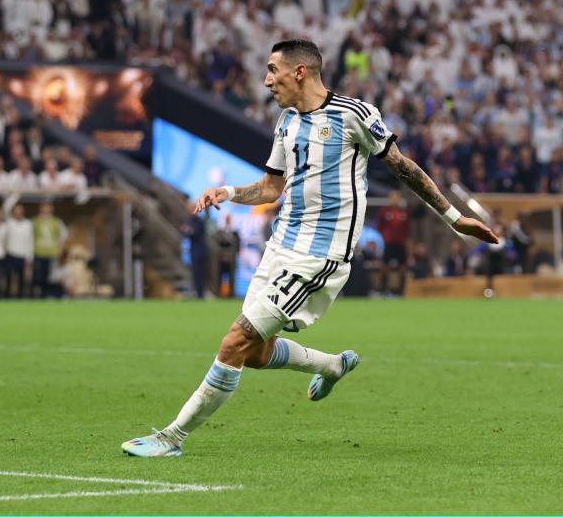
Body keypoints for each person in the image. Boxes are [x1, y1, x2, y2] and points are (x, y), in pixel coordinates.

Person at [121, 39, 498, 457]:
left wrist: (455, 218)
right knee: (257, 354)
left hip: (320, 256)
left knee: (234, 343)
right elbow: (270, 188)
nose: (266, 81)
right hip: (279, 247)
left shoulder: (353, 115)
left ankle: (172, 437)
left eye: (272, 70)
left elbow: (404, 167)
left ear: (299, 72)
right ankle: (333, 365)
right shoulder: (286, 122)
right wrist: (225, 191)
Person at [375, 189, 410, 296]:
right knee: (385, 267)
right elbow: (379, 227)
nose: (394, 199)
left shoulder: (405, 212)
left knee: (402, 268)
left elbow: (408, 230)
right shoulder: (384, 212)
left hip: (401, 244)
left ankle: (402, 291)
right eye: (392, 197)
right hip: (388, 244)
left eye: (396, 197)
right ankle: (382, 290)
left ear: (399, 199)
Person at [31, 201, 67, 298]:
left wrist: (60, 249)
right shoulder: (35, 221)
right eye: (44, 207)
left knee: (51, 277)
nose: (46, 209)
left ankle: (49, 294)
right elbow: (29, 237)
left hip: (52, 253)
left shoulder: (56, 221)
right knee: (38, 276)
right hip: (38, 252)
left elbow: (64, 235)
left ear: (52, 209)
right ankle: (40, 295)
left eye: (48, 207)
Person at [3, 202, 33, 298]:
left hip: (22, 255)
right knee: (8, 278)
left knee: (21, 279)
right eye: (16, 209)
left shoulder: (28, 224)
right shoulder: (9, 222)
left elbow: (30, 241)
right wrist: (15, 195)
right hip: (10, 254)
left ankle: (19, 298)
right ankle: (7, 297)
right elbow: (5, 207)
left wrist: (29, 258)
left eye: (20, 209)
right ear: (13, 211)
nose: (18, 211)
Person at [180, 199, 209, 298]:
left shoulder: (198, 221)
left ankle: (200, 293)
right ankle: (197, 292)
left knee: (200, 274)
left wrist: (189, 231)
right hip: (192, 251)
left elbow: (195, 233)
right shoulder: (189, 220)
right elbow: (184, 232)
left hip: (199, 252)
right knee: (195, 274)